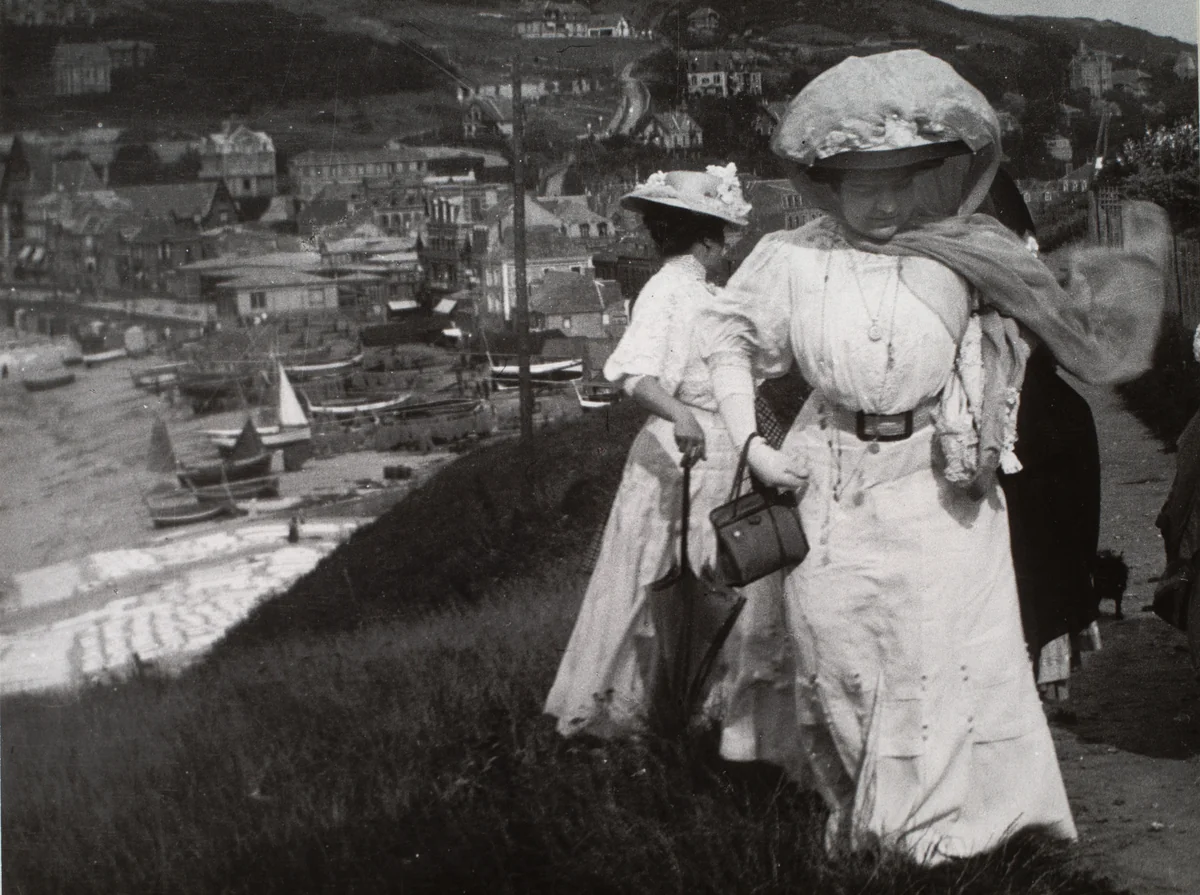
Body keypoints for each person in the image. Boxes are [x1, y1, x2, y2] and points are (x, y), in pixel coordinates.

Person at [701, 50, 1169, 863]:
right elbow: (729, 345)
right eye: (863, 182)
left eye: (903, 181)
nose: (884, 202)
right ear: (829, 181)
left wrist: (1109, 284)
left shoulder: (966, 251)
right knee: (846, 663)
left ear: (932, 178)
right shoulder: (794, 261)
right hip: (833, 485)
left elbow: (1065, 312)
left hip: (940, 492)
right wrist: (752, 444)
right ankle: (865, 825)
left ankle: (942, 845)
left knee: (941, 658)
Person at [544, 166, 797, 761]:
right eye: (725, 235)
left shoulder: (704, 292)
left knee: (717, 577)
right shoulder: (669, 289)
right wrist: (681, 416)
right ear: (704, 237)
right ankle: (629, 713)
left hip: (720, 452)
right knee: (662, 583)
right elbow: (633, 374)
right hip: (682, 456)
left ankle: (700, 711)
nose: (730, 246)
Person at [983, 170, 1104, 702]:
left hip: (1027, 414)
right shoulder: (1011, 270)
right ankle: (1038, 643)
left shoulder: (1012, 272)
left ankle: (1042, 644)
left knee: (1040, 537)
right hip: (1019, 415)